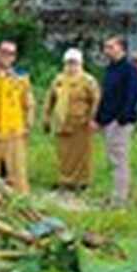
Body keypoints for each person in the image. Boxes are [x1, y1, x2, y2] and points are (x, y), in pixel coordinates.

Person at [0, 41, 35, 195]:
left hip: (13, 132)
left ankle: (21, 205)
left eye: (10, 54)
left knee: (17, 173)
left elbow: (28, 104)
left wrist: (28, 126)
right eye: (3, 52)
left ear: (14, 58)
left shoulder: (21, 79)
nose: (6, 56)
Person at [44, 48, 101, 191]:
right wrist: (46, 117)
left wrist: (93, 119)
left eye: (74, 63)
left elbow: (96, 100)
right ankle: (65, 180)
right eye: (69, 63)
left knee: (82, 153)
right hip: (62, 123)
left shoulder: (88, 81)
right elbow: (50, 99)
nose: (71, 66)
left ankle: (82, 182)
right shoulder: (58, 80)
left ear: (80, 63)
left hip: (81, 123)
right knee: (64, 154)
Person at [93, 36, 137, 205]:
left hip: (120, 121)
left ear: (122, 48)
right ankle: (117, 192)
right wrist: (98, 119)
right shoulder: (111, 68)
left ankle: (120, 198)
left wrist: (123, 119)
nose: (107, 50)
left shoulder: (130, 69)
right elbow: (105, 96)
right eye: (106, 47)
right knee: (112, 158)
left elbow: (133, 95)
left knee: (119, 159)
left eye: (111, 47)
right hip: (108, 120)